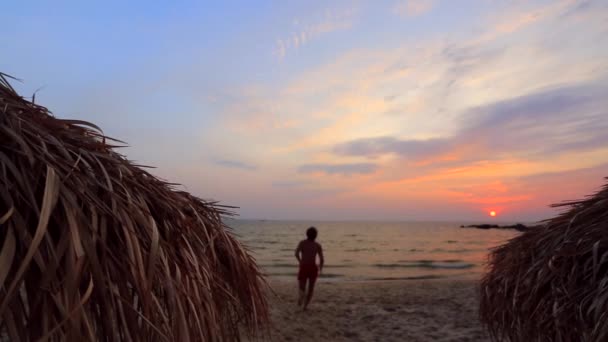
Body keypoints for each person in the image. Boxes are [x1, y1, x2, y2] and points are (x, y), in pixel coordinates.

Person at [294, 226, 324, 310]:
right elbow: (322, 259)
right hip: (313, 268)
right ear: (316, 235)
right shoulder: (317, 245)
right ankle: (305, 306)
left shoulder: (302, 243)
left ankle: (301, 295)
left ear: (307, 234)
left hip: (304, 266)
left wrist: (300, 261)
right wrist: (320, 269)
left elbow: (296, 253)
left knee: (302, 287)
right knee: (311, 288)